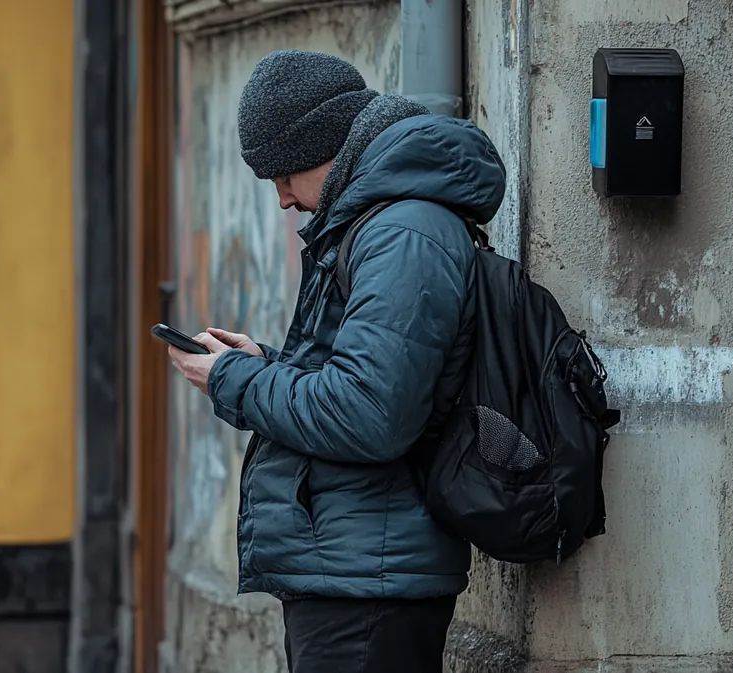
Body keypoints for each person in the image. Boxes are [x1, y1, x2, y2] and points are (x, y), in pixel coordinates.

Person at [167, 50, 507, 673]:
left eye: (282, 176)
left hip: (368, 584)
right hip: (354, 568)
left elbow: (371, 414)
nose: (282, 200)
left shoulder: (402, 234)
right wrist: (264, 362)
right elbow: (365, 378)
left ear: (319, 147)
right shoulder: (377, 224)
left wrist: (236, 381)